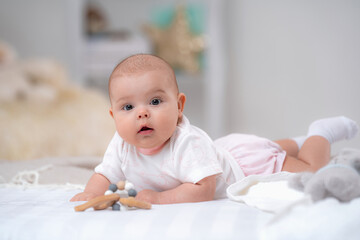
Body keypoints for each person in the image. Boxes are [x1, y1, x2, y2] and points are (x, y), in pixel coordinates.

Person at [71, 54, 359, 204]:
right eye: (127, 108)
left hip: (245, 167)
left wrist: (160, 198)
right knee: (268, 147)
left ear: (179, 105)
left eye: (155, 101)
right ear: (113, 116)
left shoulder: (187, 142)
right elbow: (104, 173)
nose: (142, 112)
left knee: (309, 171)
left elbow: (204, 189)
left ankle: (321, 133)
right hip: (224, 151)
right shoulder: (122, 144)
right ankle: (298, 141)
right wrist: (90, 193)